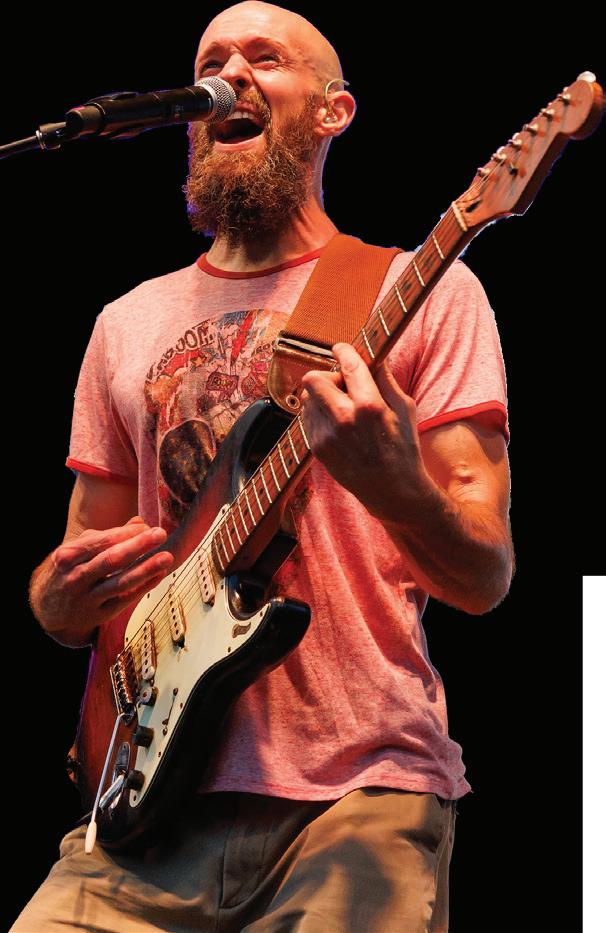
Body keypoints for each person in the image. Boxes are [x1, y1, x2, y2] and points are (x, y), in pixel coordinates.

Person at [12, 2, 514, 930]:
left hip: (357, 792)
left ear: (333, 111)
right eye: (212, 60)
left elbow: (484, 575)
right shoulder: (124, 323)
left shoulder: (423, 293)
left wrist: (397, 487)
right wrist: (57, 597)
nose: (230, 74)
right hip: (143, 805)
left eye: (264, 57)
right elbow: (77, 583)